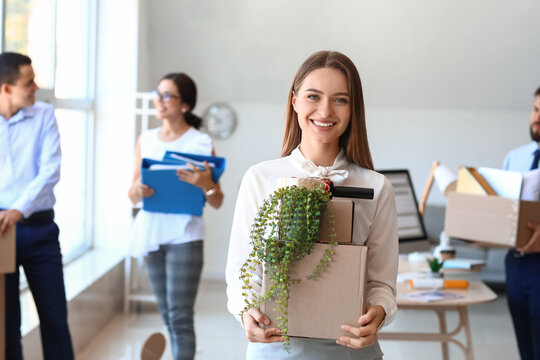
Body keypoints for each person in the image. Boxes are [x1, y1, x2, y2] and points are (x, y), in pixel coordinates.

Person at [225, 51, 398, 359]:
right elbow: (242, 269)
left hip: (350, 350)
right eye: (313, 96)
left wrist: (379, 312)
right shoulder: (261, 178)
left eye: (340, 100)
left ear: (353, 108)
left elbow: (381, 281)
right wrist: (245, 312)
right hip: (277, 347)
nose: (325, 110)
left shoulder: (376, 187)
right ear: (294, 102)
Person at [128, 72, 224, 360]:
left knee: (180, 316)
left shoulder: (201, 144)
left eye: (167, 95)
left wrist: (205, 184)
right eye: (158, 94)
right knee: (168, 315)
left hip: (186, 235)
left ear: (185, 105)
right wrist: (139, 189)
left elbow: (217, 200)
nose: (159, 100)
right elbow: (131, 195)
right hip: (152, 233)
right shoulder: (145, 140)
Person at [0, 52, 74, 359]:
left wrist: (18, 209)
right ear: (6, 88)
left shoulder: (44, 114)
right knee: (6, 323)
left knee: (55, 316)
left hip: (39, 228)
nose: (35, 87)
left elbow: (50, 170)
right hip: (2, 233)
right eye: (28, 82)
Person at [502, 86, 540, 360]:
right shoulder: (514, 157)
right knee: (525, 349)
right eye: (536, 110)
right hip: (514, 262)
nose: (537, 119)